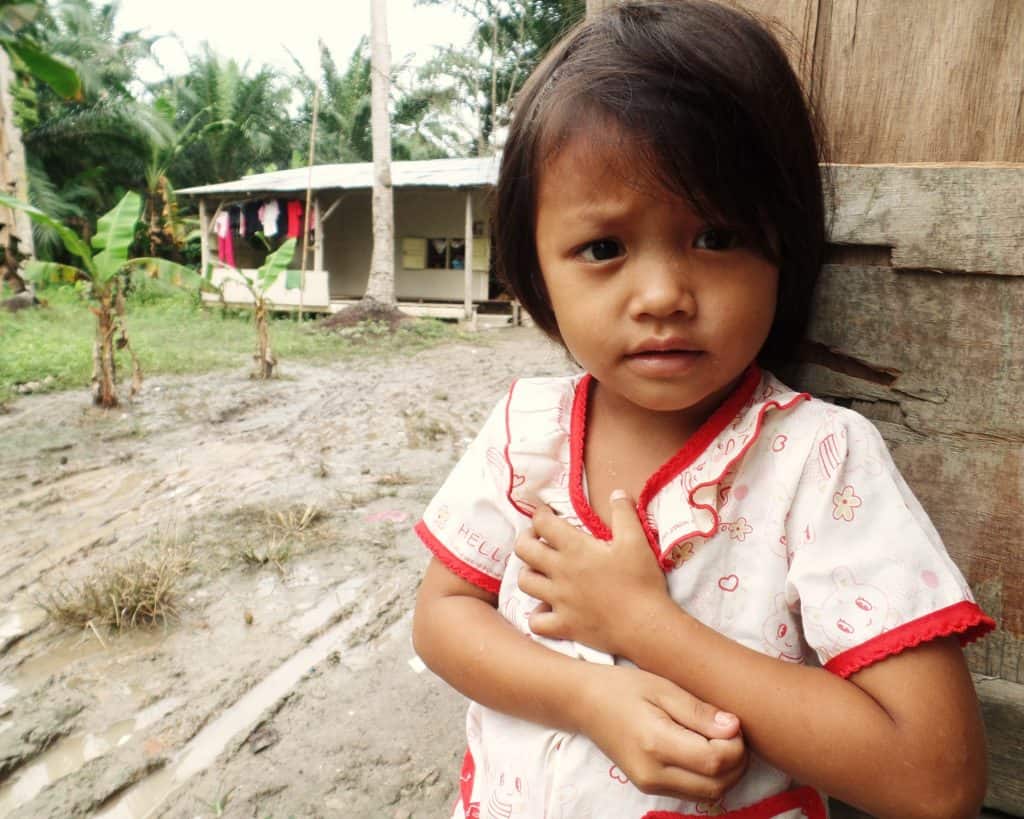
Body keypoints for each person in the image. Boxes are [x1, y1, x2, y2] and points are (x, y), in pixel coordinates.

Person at [412, 2, 995, 817]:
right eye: (604, 248)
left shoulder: (819, 462)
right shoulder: (525, 432)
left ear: (784, 247)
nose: (662, 296)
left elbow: (934, 780)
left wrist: (647, 627)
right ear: (536, 269)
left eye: (715, 237)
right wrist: (587, 697)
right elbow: (442, 617)